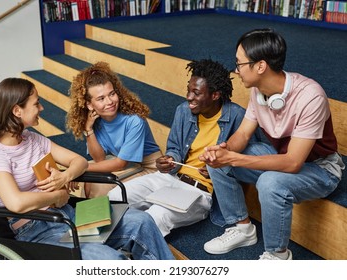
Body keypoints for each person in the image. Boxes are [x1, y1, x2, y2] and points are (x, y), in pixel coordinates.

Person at [0, 77, 174, 260]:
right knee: (111, 259)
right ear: (17, 111)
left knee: (142, 222)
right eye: (36, 104)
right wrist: (57, 196)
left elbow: (79, 161)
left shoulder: (33, 139)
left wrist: (64, 178)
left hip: (69, 214)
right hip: (36, 229)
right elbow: (16, 203)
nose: (41, 107)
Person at [200, 28, 345, 260]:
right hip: (281, 158)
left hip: (320, 169)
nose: (235, 71)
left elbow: (293, 163)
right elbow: (243, 135)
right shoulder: (258, 91)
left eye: (239, 64)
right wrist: (223, 151)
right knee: (219, 159)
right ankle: (242, 228)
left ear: (260, 66)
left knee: (269, 182)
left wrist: (235, 158)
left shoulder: (311, 96)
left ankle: (277, 256)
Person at [109, 59, 258, 237]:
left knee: (155, 215)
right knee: (115, 195)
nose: (189, 97)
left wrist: (221, 169)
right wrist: (170, 159)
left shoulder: (237, 116)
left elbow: (249, 161)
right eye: (189, 89)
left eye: (196, 93)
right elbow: (174, 148)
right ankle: (92, 245)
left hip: (199, 191)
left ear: (215, 95)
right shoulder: (183, 111)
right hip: (170, 177)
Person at [66, 61, 162, 198]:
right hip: (130, 165)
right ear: (89, 105)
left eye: (112, 94)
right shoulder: (97, 120)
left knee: (98, 183)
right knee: (89, 178)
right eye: (101, 98)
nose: (109, 102)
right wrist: (88, 129)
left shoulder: (134, 120)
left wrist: (77, 170)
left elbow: (120, 164)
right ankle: (93, 216)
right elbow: (99, 158)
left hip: (150, 168)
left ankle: (98, 217)